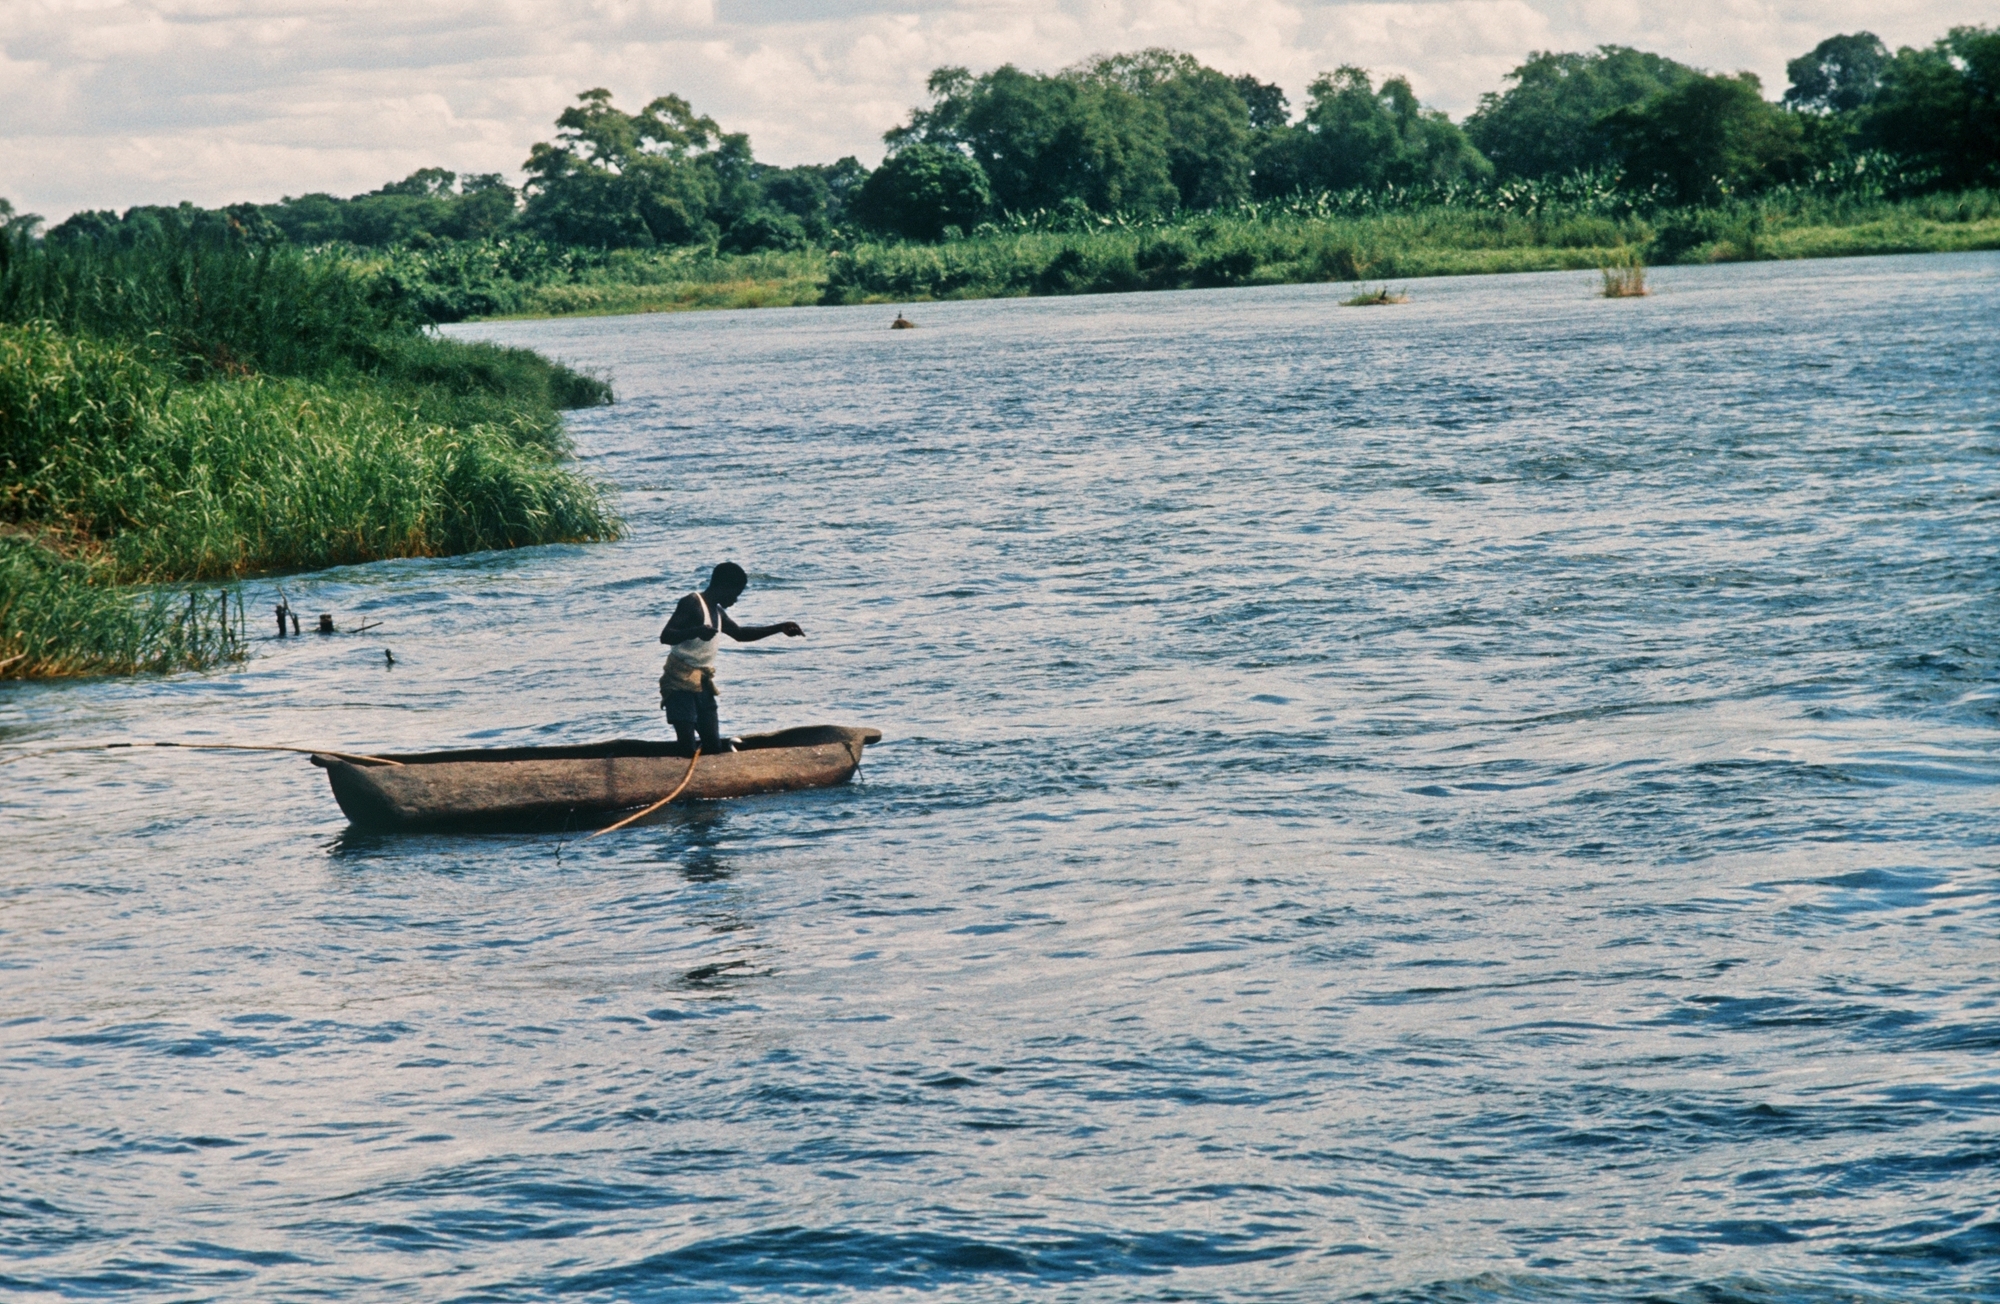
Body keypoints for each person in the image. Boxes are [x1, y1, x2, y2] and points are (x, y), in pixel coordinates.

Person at [658, 562, 804, 753]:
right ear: (724, 587)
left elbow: (740, 634)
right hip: (678, 683)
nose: (735, 599)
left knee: (713, 746)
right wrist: (696, 631)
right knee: (686, 747)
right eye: (736, 593)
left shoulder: (718, 612)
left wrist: (779, 628)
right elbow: (666, 635)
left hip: (702, 684)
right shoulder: (692, 603)